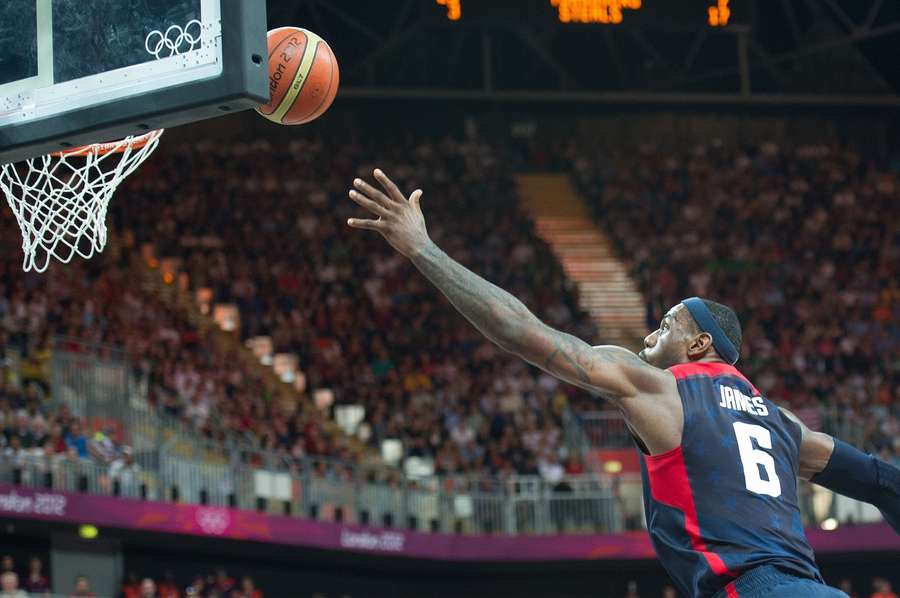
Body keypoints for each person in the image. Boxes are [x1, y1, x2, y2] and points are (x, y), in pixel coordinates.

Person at [346, 170, 900, 598]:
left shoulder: (660, 388)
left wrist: (423, 249)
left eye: (667, 324)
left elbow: (521, 332)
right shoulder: (781, 423)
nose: (652, 332)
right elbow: (878, 478)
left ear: (700, 344)